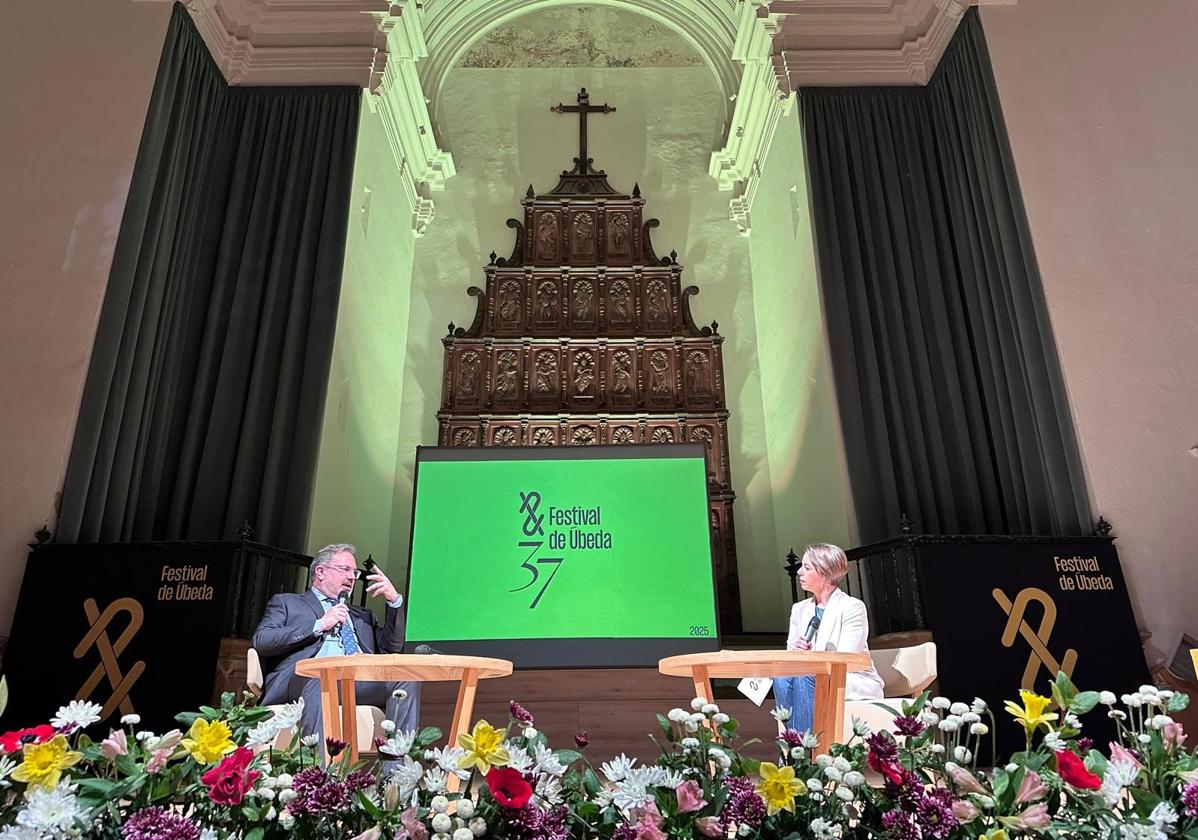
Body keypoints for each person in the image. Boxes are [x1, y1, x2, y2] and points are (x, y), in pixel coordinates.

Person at [252, 543, 419, 739]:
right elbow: (262, 640)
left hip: (357, 678)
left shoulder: (362, 615)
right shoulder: (288, 602)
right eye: (345, 570)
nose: (351, 577)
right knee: (323, 677)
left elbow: (392, 647)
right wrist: (320, 624)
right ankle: (320, 769)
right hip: (305, 678)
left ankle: (396, 767)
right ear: (321, 572)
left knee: (406, 679)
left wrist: (394, 601)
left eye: (354, 573)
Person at [773, 543, 883, 734]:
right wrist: (798, 652)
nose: (799, 572)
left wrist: (811, 657)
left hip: (849, 677)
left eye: (807, 568)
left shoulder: (852, 607)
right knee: (781, 678)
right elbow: (790, 654)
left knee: (805, 677)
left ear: (825, 573)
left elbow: (846, 657)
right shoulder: (799, 609)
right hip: (811, 675)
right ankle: (796, 748)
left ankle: (805, 752)